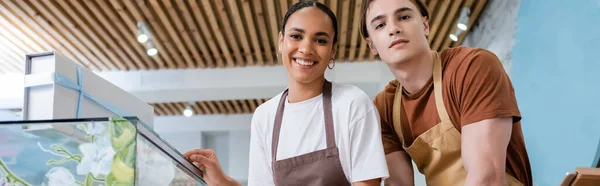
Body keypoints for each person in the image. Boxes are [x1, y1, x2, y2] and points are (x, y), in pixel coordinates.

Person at [184, 1, 389, 186]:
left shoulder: (353, 104)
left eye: (320, 40)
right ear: (281, 42)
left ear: (333, 50)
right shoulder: (265, 116)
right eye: (296, 36)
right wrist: (223, 182)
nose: (306, 48)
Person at [359, 0, 533, 185]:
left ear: (425, 25)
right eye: (380, 25)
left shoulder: (472, 67)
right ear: (372, 45)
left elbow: (487, 178)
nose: (393, 29)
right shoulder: (384, 108)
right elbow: (399, 183)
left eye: (404, 17)